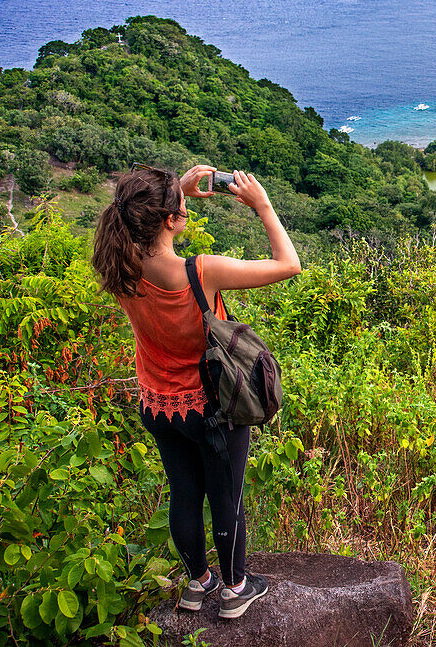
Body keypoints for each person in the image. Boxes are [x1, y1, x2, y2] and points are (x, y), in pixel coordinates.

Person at [92, 163, 301, 619]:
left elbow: (144, 232)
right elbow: (289, 264)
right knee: (226, 497)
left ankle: (197, 582)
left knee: (184, 492)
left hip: (158, 404)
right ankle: (234, 589)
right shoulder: (198, 272)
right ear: (168, 219)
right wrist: (262, 205)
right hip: (211, 407)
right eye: (179, 206)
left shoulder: (120, 260)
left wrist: (174, 197)